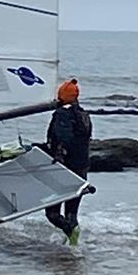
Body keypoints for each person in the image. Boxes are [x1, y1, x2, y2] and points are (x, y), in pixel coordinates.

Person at [42, 77, 92, 245]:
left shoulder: (62, 114)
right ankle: (73, 242)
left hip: (63, 170)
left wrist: (51, 151)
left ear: (62, 96)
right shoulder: (83, 114)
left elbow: (62, 138)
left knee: (52, 214)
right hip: (81, 169)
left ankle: (69, 231)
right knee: (71, 212)